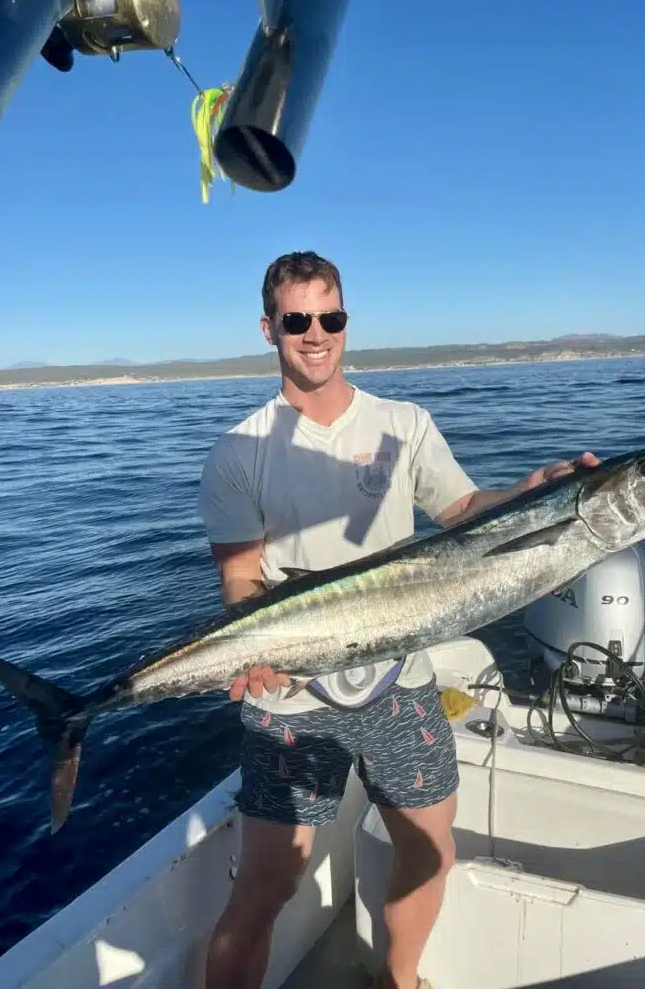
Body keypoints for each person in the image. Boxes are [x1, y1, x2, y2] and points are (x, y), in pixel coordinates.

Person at [197, 251, 599, 989]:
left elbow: (462, 514)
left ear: (347, 322)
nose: (316, 334)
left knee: (429, 851)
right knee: (265, 889)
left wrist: (531, 489)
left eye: (331, 316)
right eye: (298, 319)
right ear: (269, 328)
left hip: (400, 680)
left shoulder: (402, 424)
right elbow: (240, 576)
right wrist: (249, 652)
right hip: (290, 698)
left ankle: (399, 981)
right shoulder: (239, 451)